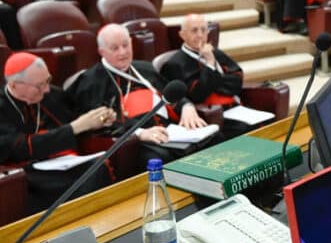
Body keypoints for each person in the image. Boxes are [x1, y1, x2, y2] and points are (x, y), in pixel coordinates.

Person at [67, 24, 210, 166]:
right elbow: (103, 125)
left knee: (213, 140)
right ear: (101, 51)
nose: (123, 52)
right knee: (159, 159)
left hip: (172, 133)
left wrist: (187, 106)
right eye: (115, 48)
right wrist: (140, 133)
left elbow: (170, 94)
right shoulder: (91, 82)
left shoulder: (144, 68)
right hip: (136, 142)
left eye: (126, 45)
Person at [0, 53, 114, 214]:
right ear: (14, 85)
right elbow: (16, 148)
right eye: (39, 85)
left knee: (98, 167)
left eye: (48, 80)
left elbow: (78, 124)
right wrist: (74, 127)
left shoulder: (54, 95)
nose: (46, 89)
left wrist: (98, 121)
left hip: (62, 162)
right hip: (26, 174)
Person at [160, 14, 259, 138]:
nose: (200, 35)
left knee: (265, 124)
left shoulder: (215, 52)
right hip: (210, 115)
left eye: (203, 30)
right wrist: (211, 64)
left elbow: (237, 80)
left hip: (234, 108)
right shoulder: (175, 63)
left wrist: (213, 82)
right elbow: (197, 94)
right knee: (246, 130)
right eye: (194, 30)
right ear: (182, 35)